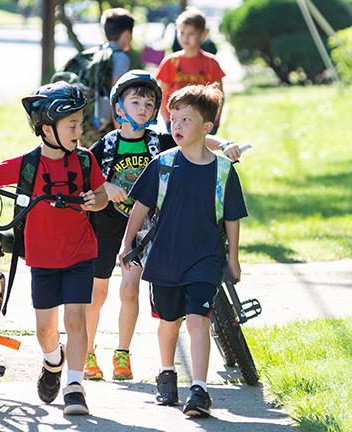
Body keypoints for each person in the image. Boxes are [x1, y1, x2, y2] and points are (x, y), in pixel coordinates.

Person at [0, 82, 108, 415]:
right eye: (72, 124)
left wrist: (95, 201)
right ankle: (53, 361)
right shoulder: (29, 164)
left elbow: (101, 195)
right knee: (45, 330)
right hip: (42, 257)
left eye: (80, 122)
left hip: (80, 254)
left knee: (75, 320)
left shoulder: (85, 161)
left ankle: (74, 387)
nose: (80, 129)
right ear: (46, 129)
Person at [83, 71, 241, 382]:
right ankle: (88, 352)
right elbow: (83, 168)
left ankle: (122, 354)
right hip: (107, 224)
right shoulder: (108, 144)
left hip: (145, 228)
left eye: (149, 103)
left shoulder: (159, 141)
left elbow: (199, 136)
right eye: (135, 102)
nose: (143, 108)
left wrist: (225, 144)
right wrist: (105, 184)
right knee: (98, 292)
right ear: (119, 108)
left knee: (129, 291)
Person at [119, 83, 248, 417]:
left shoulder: (223, 171)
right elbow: (141, 207)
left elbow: (232, 217)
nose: (176, 126)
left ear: (207, 127)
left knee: (197, 321)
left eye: (186, 120)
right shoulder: (163, 164)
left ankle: (200, 390)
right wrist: (126, 243)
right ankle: (167, 373)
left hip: (205, 257)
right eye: (173, 119)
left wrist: (233, 258)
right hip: (164, 257)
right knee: (168, 322)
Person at [156, 6, 226, 135]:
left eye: (191, 34)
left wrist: (214, 122)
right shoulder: (170, 62)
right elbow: (161, 94)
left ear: (203, 34)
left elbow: (219, 96)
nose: (185, 38)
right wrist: (167, 121)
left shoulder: (211, 63)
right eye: (182, 33)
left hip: (201, 122)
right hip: (176, 123)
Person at [79, 7, 135, 146]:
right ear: (127, 34)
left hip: (87, 122)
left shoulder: (96, 54)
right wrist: (120, 129)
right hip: (105, 127)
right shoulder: (121, 57)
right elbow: (116, 94)